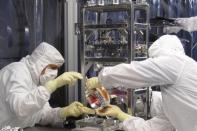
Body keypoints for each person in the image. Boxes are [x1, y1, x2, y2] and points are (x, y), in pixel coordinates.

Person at [86, 34, 197, 131]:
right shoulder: (172, 101)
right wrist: (120, 115)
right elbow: (153, 128)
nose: (153, 63)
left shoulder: (177, 63)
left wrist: (101, 79)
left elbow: (134, 72)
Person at [0, 42, 95, 128]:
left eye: (57, 68)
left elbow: (42, 115)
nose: (54, 73)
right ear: (40, 62)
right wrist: (53, 85)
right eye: (52, 67)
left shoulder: (37, 81)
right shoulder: (17, 72)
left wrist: (63, 112)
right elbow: (20, 108)